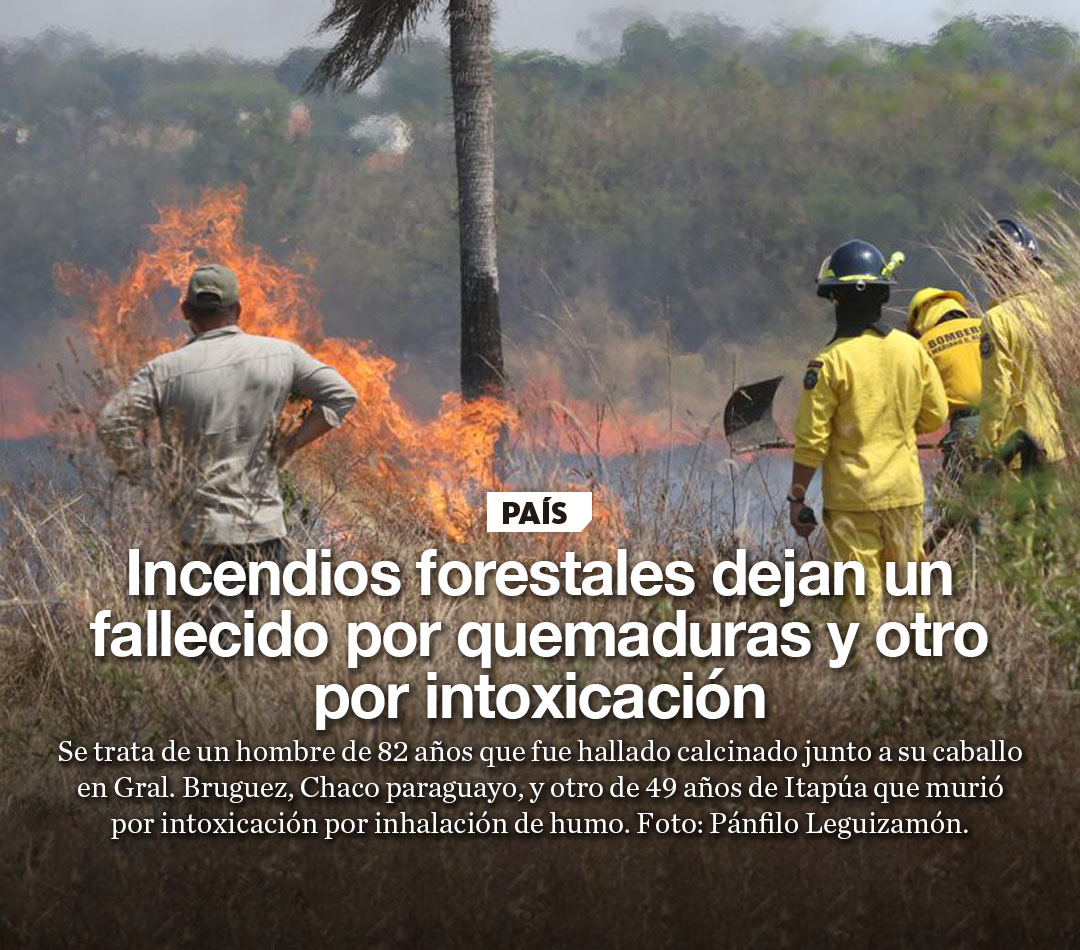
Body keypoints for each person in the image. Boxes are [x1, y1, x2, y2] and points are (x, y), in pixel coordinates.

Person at [98, 263, 358, 612]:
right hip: (262, 529)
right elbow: (342, 395)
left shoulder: (164, 370)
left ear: (186, 311)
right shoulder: (281, 355)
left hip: (200, 533)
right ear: (237, 310)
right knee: (263, 643)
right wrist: (291, 443)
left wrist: (150, 473)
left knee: (205, 649)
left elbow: (112, 423)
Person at [788, 240, 948, 618]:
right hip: (905, 494)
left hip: (852, 500)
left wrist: (797, 499)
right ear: (881, 296)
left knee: (861, 600)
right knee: (913, 595)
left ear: (836, 301)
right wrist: (899, 430)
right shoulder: (912, 350)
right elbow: (936, 414)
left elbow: (812, 442)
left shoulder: (828, 363)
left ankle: (867, 670)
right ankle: (923, 669)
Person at [974, 218, 1065, 477]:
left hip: (1016, 454)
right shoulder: (1059, 305)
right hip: (1058, 444)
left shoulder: (998, 319)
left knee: (1020, 518)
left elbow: (996, 391)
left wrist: (985, 451)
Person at [907, 287, 982, 482]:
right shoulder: (986, 325)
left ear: (920, 316)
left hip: (965, 429)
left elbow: (920, 402)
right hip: (1008, 423)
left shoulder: (923, 345)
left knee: (962, 503)